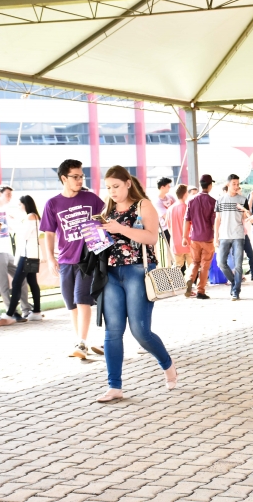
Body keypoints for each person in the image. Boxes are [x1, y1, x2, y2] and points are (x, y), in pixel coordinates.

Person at [95, 166, 176, 402]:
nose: (112, 191)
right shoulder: (107, 209)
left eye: (116, 186)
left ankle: (167, 364)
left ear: (128, 183)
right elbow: (104, 243)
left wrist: (120, 229)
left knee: (140, 331)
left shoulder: (143, 205)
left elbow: (151, 238)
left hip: (138, 271)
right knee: (113, 331)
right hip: (111, 273)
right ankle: (114, 386)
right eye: (108, 187)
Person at [41, 159, 105, 359]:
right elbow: (49, 233)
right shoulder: (52, 204)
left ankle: (82, 343)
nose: (80, 180)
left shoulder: (91, 198)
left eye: (81, 176)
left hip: (88, 260)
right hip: (65, 260)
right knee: (71, 304)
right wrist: (50, 258)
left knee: (82, 299)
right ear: (64, 178)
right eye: (75, 177)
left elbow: (106, 218)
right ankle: (80, 341)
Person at [0, 184, 32, 322]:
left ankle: (26, 309)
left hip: (9, 251)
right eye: (8, 195)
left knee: (21, 279)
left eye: (11, 195)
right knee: (4, 284)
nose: (10, 198)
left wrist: (14, 221)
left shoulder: (7, 210)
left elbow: (14, 228)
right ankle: (11, 312)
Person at [4, 195, 43, 322]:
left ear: (25, 204)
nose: (18, 207)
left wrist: (13, 222)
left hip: (27, 255)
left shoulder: (30, 216)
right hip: (33, 254)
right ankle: (36, 311)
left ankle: (10, 313)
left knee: (16, 283)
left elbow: (23, 235)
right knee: (32, 282)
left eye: (20, 204)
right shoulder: (34, 216)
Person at [214, 174, 250, 301]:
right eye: (234, 184)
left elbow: (246, 218)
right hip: (224, 235)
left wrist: (245, 211)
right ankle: (235, 282)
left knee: (238, 265)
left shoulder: (243, 200)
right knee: (221, 262)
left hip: (238, 235)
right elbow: (217, 220)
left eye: (237, 184)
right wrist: (215, 237)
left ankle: (236, 291)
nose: (236, 186)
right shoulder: (220, 200)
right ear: (228, 184)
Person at [182, 175, 217, 300]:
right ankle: (200, 291)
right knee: (205, 265)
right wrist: (217, 237)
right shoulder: (213, 201)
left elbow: (187, 220)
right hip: (208, 238)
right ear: (210, 185)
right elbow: (214, 223)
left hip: (194, 238)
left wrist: (184, 237)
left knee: (195, 262)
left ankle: (189, 280)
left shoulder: (191, 200)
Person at [166, 184, 194, 297]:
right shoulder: (187, 207)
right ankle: (188, 287)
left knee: (177, 265)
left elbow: (168, 226)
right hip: (188, 241)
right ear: (185, 194)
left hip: (175, 242)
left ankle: (175, 287)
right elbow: (191, 225)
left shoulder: (170, 209)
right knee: (191, 265)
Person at [153, 177, 175, 243]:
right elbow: (165, 216)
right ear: (162, 187)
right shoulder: (157, 201)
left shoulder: (170, 196)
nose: (169, 187)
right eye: (168, 186)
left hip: (174, 225)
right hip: (166, 228)